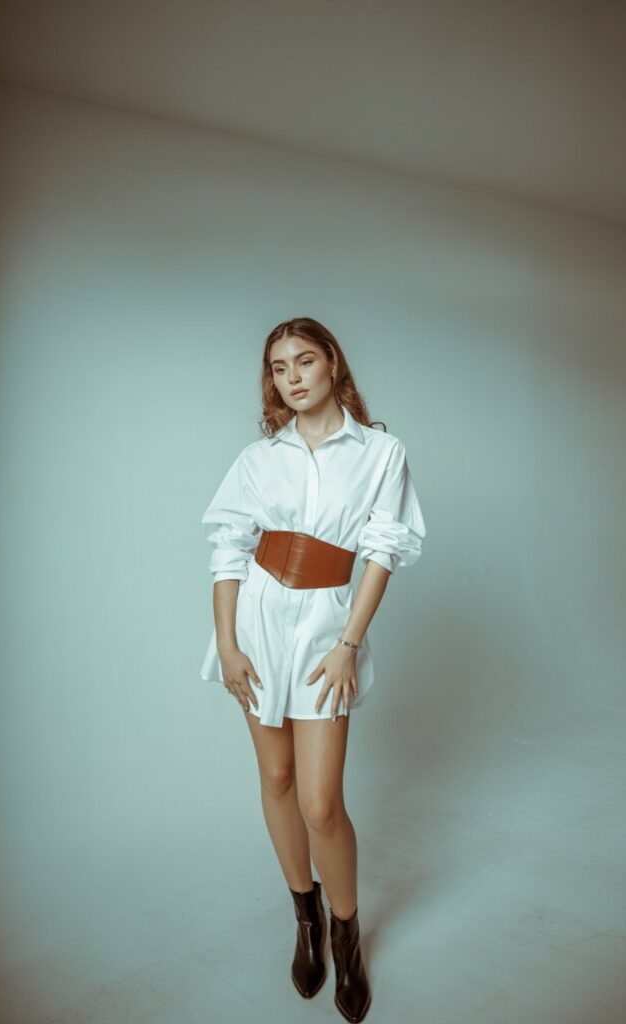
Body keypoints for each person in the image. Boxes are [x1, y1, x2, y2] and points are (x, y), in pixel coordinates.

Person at [199, 317, 426, 1023]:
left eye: (303, 361)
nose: (291, 377)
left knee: (322, 801)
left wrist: (349, 643)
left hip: (327, 629)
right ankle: (304, 919)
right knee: (276, 778)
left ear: (332, 363)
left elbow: (384, 550)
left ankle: (347, 933)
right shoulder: (257, 458)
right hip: (258, 624)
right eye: (277, 367)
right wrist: (228, 644)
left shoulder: (382, 452)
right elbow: (229, 551)